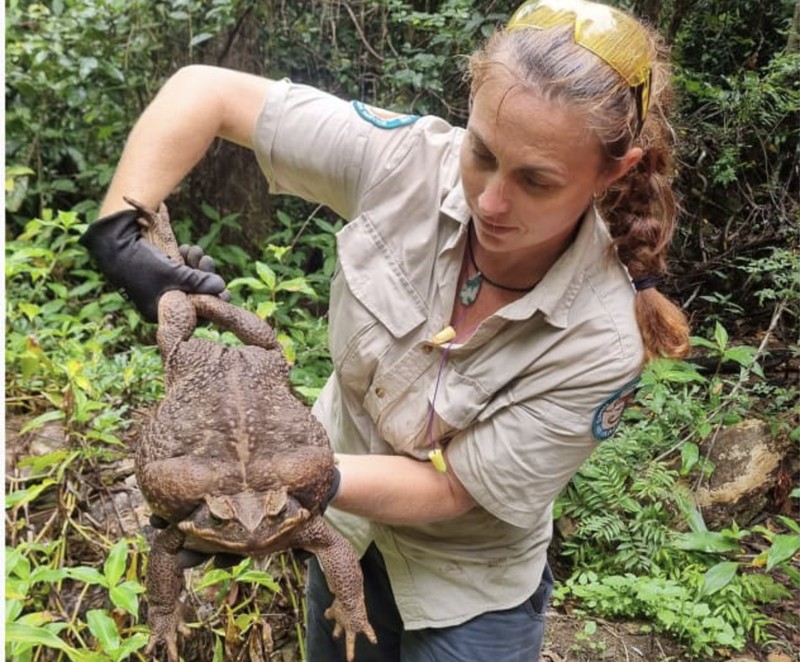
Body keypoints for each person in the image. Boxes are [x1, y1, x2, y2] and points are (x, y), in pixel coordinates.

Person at [81, 0, 691, 659]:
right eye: (481, 152)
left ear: (614, 171)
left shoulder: (601, 340)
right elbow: (207, 92)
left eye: (537, 181)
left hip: (466, 586)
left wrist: (276, 486)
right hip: (341, 534)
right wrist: (120, 233)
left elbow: (454, 487)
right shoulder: (407, 163)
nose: (489, 199)